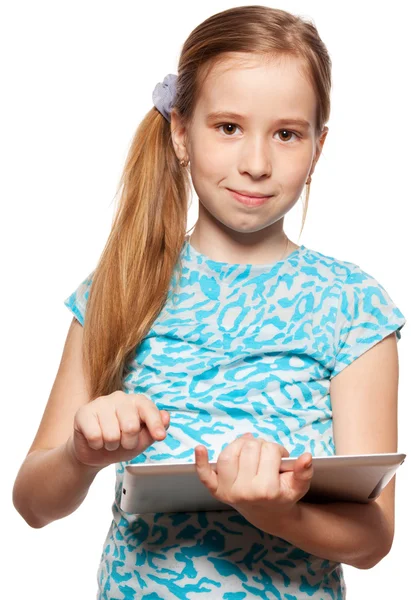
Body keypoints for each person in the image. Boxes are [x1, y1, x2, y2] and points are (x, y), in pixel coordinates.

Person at [12, 5, 406, 599]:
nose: (256, 162)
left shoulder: (353, 306)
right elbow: (32, 504)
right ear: (179, 131)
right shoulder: (118, 288)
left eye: (287, 133)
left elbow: (374, 537)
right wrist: (80, 453)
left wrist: (278, 515)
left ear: (319, 147)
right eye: (228, 127)